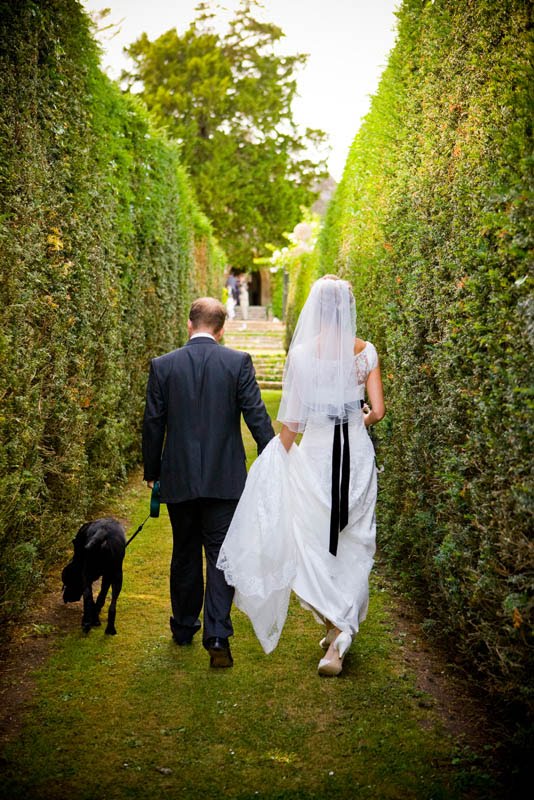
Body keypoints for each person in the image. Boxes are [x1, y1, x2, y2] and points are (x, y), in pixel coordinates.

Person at [217, 276, 385, 676]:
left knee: (314, 541)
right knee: (353, 541)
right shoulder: (366, 352)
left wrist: (277, 453)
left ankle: (336, 631)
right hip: (355, 454)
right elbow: (377, 410)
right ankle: (338, 630)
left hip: (317, 454)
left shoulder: (305, 355)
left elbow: (292, 421)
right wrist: (358, 418)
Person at [142, 297, 274, 668]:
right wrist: (271, 460)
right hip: (225, 478)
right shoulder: (237, 363)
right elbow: (257, 417)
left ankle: (184, 626)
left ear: (189, 324)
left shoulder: (163, 366)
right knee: (220, 555)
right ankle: (217, 633)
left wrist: (153, 471)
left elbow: (153, 422)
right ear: (222, 327)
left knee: (184, 551)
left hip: (179, 476)